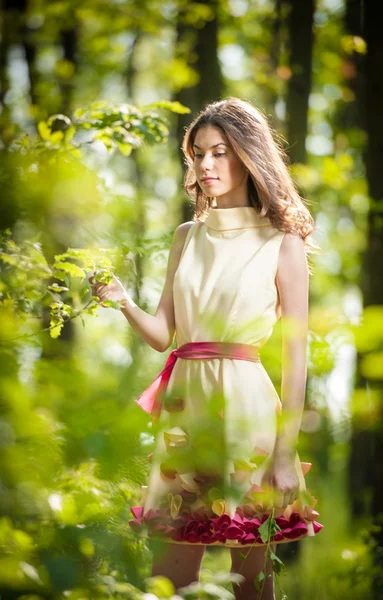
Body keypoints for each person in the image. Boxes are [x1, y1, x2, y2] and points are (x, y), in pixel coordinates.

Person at [89, 97, 323, 600]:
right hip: (184, 414)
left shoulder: (280, 242)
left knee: (252, 583)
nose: (206, 164)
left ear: (247, 156)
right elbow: (163, 337)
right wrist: (123, 301)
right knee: (170, 581)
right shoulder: (186, 236)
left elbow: (296, 356)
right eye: (198, 153)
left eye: (220, 152)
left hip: (250, 411)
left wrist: (285, 452)